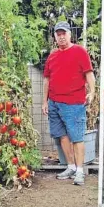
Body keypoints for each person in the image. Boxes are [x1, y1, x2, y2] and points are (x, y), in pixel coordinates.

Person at [42, 21, 95, 185]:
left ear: (70, 35)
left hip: (73, 103)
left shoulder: (79, 52)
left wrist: (92, 91)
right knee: (62, 136)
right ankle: (71, 166)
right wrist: (45, 101)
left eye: (64, 33)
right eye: (58, 34)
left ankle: (80, 171)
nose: (61, 36)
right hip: (54, 103)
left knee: (77, 137)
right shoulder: (52, 56)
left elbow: (89, 74)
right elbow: (47, 80)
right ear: (55, 37)